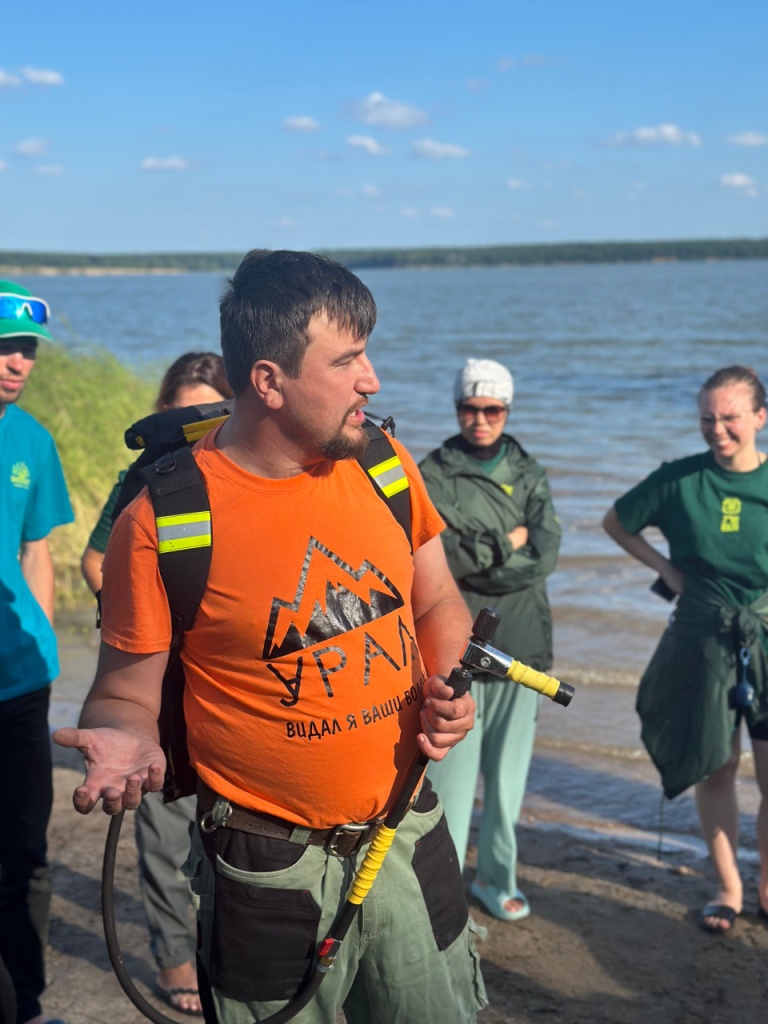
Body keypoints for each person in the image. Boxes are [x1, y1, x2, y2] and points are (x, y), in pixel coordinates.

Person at [54, 249, 486, 1024]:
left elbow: (439, 599)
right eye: (348, 359)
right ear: (268, 381)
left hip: (406, 830)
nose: (373, 379)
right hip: (267, 869)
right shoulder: (166, 519)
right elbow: (125, 690)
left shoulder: (383, 463)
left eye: (367, 352)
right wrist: (123, 738)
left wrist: (448, 685)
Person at [80, 351, 232, 1017]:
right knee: (163, 837)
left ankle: (222, 951)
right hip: (157, 689)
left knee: (226, 836)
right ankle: (175, 963)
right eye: (174, 411)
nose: (185, 425)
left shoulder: (238, 477)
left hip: (221, 691)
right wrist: (142, 619)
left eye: (201, 412)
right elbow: (93, 559)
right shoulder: (143, 479)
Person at [603, 365, 768, 935]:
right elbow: (617, 521)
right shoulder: (679, 480)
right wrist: (666, 570)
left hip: (766, 634)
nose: (718, 429)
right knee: (715, 766)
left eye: (730, 418)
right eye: (707, 418)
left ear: (760, 419)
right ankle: (728, 886)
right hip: (701, 635)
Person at [420, 358, 562, 922]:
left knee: (508, 786)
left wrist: (488, 555)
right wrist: (509, 542)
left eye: (492, 409)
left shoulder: (530, 470)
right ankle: (443, 891)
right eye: (469, 408)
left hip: (524, 646)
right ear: (457, 409)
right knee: (450, 789)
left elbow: (545, 556)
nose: (480, 419)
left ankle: (496, 878)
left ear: (507, 410)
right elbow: (444, 559)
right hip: (460, 650)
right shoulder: (433, 472)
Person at [0, 280, 73, 1024]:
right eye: (5, 346)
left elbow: (37, 548)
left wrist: (45, 637)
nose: (17, 363)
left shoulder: (32, 440)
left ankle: (26, 1000)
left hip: (22, 683)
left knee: (25, 852)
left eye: (26, 349)